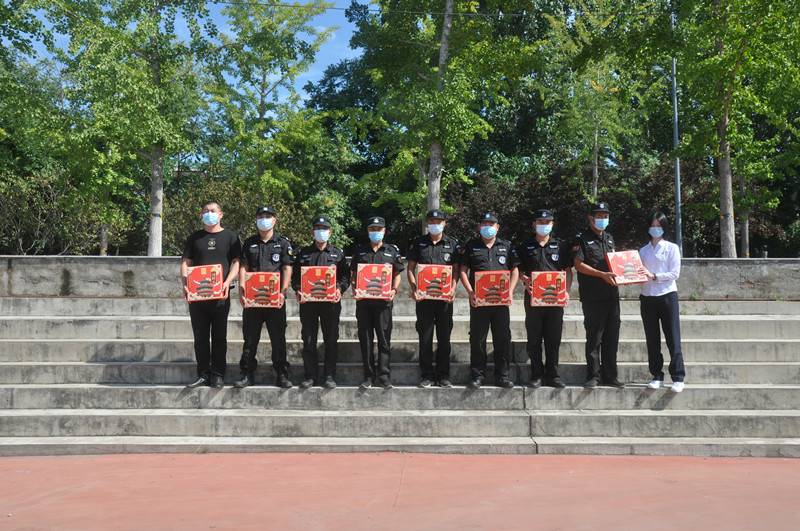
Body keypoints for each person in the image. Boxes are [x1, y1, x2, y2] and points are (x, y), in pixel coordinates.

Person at [181, 201, 241, 389]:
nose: (209, 213)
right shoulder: (194, 238)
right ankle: (203, 374)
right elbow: (185, 263)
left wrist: (227, 282)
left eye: (213, 210)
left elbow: (236, 262)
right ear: (201, 215)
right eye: (205, 211)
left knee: (219, 336)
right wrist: (185, 284)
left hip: (220, 296)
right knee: (200, 337)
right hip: (198, 296)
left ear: (221, 214)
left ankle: (218, 374)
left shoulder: (231, 237)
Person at [234, 206, 294, 389]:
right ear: (256, 219)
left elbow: (287, 268)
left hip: (275, 300)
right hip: (253, 299)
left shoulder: (283, 243)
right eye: (260, 216)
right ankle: (247, 374)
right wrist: (242, 289)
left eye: (268, 216)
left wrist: (283, 291)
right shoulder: (249, 243)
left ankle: (281, 374)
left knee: (278, 339)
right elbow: (243, 266)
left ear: (274, 220)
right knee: (250, 339)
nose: (264, 219)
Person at [458, 212, 520, 389]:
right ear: (479, 227)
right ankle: (477, 375)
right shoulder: (471, 246)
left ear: (497, 227)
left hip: (501, 302)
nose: (487, 227)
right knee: (477, 339)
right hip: (479, 301)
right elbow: (463, 271)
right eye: (484, 224)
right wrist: (470, 292)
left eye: (491, 224)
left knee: (503, 338)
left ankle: (502, 376)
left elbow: (515, 270)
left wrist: (510, 291)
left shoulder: (507, 246)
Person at [291, 215, 350, 389]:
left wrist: (340, 289)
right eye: (318, 228)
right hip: (308, 304)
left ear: (330, 232)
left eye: (324, 229)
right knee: (309, 339)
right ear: (312, 232)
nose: (321, 231)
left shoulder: (337, 254)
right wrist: (297, 289)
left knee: (331, 339)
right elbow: (296, 277)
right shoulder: (303, 253)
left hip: (330, 304)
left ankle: (329, 376)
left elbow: (345, 277)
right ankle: (310, 376)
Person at [517, 209, 572, 388]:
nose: (543, 225)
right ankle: (536, 375)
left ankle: (553, 375)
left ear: (552, 224)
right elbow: (518, 270)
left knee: (553, 339)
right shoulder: (525, 246)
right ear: (534, 224)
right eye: (540, 222)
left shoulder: (560, 245)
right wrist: (524, 279)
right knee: (534, 338)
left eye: (547, 222)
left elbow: (568, 271)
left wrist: (566, 291)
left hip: (555, 299)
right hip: (533, 298)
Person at [573, 202, 624, 388]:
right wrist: (601, 275)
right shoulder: (582, 239)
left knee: (612, 337)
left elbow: (616, 263)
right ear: (590, 218)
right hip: (593, 297)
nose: (602, 219)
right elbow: (578, 265)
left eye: (605, 216)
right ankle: (593, 375)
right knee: (594, 338)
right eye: (599, 216)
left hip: (612, 296)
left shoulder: (609, 238)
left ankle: (611, 375)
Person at [406, 209, 459, 388]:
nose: (435, 224)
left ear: (444, 224)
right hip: (424, 300)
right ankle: (427, 375)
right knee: (425, 338)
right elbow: (410, 269)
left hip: (444, 300)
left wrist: (453, 289)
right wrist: (414, 289)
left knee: (444, 338)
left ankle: (444, 375)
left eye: (438, 221)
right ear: (427, 224)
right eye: (431, 221)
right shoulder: (418, 243)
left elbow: (456, 271)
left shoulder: (453, 244)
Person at [350, 216, 405, 389]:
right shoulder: (360, 251)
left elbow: (397, 274)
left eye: (378, 229)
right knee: (366, 340)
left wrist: (394, 290)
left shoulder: (392, 251)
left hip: (384, 304)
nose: (375, 232)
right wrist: (354, 289)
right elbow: (354, 275)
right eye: (372, 229)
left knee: (384, 340)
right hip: (364, 303)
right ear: (368, 231)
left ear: (384, 231)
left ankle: (384, 376)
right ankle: (368, 376)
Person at [639, 212, 685, 393]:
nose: (655, 229)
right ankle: (656, 375)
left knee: (673, 337)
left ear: (664, 227)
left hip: (667, 296)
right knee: (652, 339)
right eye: (652, 225)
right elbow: (637, 272)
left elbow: (675, 273)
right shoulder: (643, 251)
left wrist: (654, 276)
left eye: (659, 225)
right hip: (647, 297)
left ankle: (678, 377)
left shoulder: (672, 248)